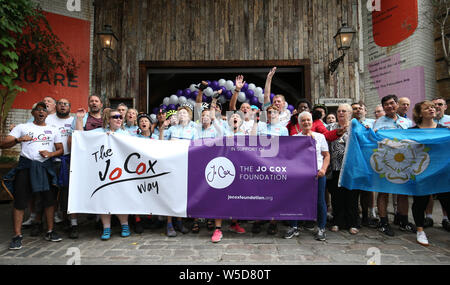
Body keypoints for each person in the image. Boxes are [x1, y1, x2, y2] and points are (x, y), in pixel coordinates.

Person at [1, 102, 64, 250]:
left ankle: (50, 231)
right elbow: (3, 144)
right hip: (26, 166)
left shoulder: (53, 129)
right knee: (20, 201)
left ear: (47, 114)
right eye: (38, 110)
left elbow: (60, 149)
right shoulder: (22, 127)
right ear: (33, 113)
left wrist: (51, 154)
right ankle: (17, 236)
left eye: (44, 110)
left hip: (45, 166)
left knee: (49, 200)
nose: (41, 112)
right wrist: (18, 140)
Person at [83, 109, 131, 240]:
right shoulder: (99, 133)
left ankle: (125, 225)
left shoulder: (126, 134)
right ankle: (106, 228)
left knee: (122, 199)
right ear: (108, 120)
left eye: (120, 117)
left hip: (121, 172)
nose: (118, 119)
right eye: (115, 117)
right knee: (104, 199)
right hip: (103, 172)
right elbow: (80, 137)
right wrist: (79, 119)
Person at [373, 94, 414, 236]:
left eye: (392, 103)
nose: (390, 106)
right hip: (385, 161)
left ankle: (403, 221)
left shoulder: (406, 122)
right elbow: (374, 140)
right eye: (386, 105)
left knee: (403, 192)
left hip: (404, 161)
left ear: (397, 104)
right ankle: (383, 222)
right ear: (383, 107)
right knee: (383, 191)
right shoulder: (378, 123)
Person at [284, 111, 330, 241]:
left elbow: (326, 155)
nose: (306, 122)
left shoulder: (320, 137)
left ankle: (321, 228)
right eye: (303, 120)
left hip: (317, 174)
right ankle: (294, 227)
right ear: (299, 123)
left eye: (308, 120)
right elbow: (290, 157)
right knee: (295, 200)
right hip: (299, 176)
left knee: (320, 201)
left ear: (312, 121)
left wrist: (323, 169)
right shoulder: (295, 138)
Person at [409, 100, 450, 245]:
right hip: (421, 172)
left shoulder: (444, 131)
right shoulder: (411, 132)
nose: (432, 109)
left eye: (432, 107)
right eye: (427, 108)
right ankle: (420, 230)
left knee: (447, 200)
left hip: (442, 172)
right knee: (420, 201)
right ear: (420, 113)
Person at [250, 104, 288, 235]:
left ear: (278, 114)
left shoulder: (283, 130)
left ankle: (273, 222)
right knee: (259, 194)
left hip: (275, 165)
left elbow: (285, 148)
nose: (271, 115)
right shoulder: (261, 127)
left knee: (274, 195)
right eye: (269, 113)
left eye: (274, 112)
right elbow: (252, 139)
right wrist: (255, 122)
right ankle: (258, 219)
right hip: (260, 165)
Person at [159, 105, 196, 237]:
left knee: (181, 194)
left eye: (184, 113)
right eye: (179, 113)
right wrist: (162, 129)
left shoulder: (193, 130)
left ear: (189, 116)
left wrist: (177, 143)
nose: (181, 115)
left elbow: (196, 146)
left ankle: (179, 222)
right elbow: (161, 143)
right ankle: (169, 223)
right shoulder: (172, 128)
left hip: (186, 164)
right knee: (170, 194)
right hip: (172, 165)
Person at [46, 98, 79, 239]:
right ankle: (48, 225)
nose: (63, 106)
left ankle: (72, 223)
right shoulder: (48, 119)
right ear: (56, 106)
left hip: (68, 160)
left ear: (69, 107)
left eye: (66, 104)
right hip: (50, 160)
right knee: (49, 194)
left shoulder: (73, 120)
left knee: (69, 194)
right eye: (60, 103)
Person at [327, 104, 360, 234]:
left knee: (351, 196)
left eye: (344, 111)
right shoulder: (330, 127)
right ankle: (337, 221)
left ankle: (353, 223)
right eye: (339, 111)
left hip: (352, 168)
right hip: (335, 167)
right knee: (336, 196)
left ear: (350, 113)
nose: (341, 113)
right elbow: (324, 138)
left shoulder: (356, 127)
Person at [351, 101, 378, 228]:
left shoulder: (372, 123)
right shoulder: (350, 124)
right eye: (355, 109)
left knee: (366, 191)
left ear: (365, 111)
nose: (358, 110)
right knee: (355, 191)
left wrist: (372, 132)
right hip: (354, 161)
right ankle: (356, 217)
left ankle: (366, 216)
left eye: (360, 108)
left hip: (368, 161)